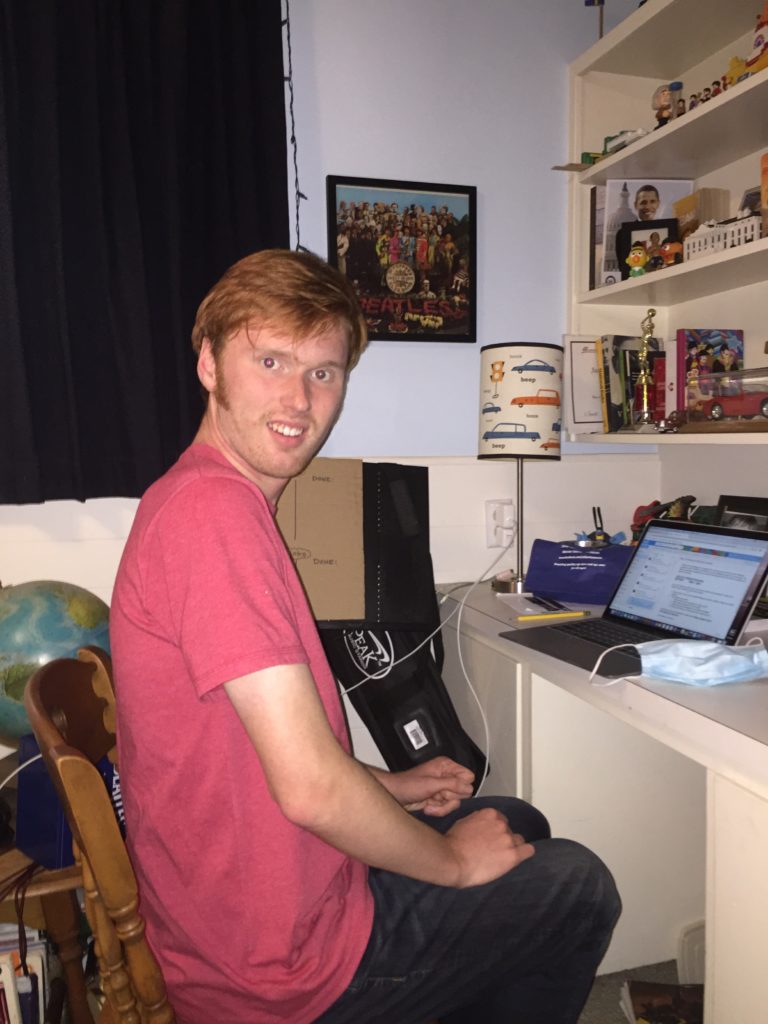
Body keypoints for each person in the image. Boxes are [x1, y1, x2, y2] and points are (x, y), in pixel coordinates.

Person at [110, 248, 620, 1024]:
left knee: (517, 823)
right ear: (209, 363)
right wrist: (449, 863)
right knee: (576, 883)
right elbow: (310, 789)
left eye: (325, 370)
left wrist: (391, 787)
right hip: (276, 970)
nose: (299, 397)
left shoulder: (210, 501)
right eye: (272, 360)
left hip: (267, 902)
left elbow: (251, 759)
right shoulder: (211, 519)